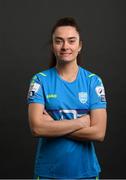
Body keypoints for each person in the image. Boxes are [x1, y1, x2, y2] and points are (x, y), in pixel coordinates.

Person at [27, 17, 107, 180]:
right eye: (59, 41)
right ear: (53, 46)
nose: (65, 47)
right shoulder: (39, 80)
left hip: (86, 173)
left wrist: (53, 125)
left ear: (80, 46)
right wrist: (80, 122)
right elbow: (37, 129)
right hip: (48, 173)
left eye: (71, 41)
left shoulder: (93, 81)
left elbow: (99, 133)